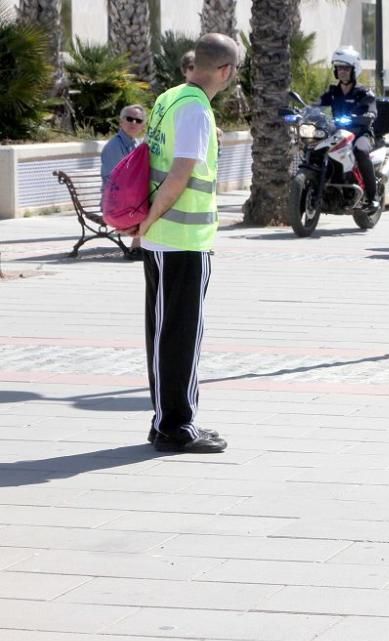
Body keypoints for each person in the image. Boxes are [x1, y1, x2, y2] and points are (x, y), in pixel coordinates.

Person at [131, 33, 239, 454]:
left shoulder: (169, 98)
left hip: (164, 238)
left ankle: (166, 420)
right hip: (181, 238)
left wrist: (146, 224)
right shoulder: (195, 109)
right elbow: (178, 175)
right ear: (226, 72)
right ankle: (176, 425)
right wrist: (149, 220)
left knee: (162, 332)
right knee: (180, 334)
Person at [319, 46, 379, 211]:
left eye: (345, 68)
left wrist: (368, 116)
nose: (342, 71)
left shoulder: (364, 93)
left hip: (361, 134)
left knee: (360, 150)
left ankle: (373, 198)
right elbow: (316, 105)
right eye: (339, 68)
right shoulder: (332, 92)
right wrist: (303, 111)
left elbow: (372, 110)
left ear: (354, 69)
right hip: (338, 134)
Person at [101, 104, 146, 260]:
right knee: (151, 204)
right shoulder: (114, 147)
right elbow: (117, 182)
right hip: (114, 201)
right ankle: (137, 247)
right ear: (121, 122)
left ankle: (142, 245)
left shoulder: (137, 145)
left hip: (129, 197)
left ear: (142, 126)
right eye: (129, 119)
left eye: (138, 120)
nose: (133, 123)